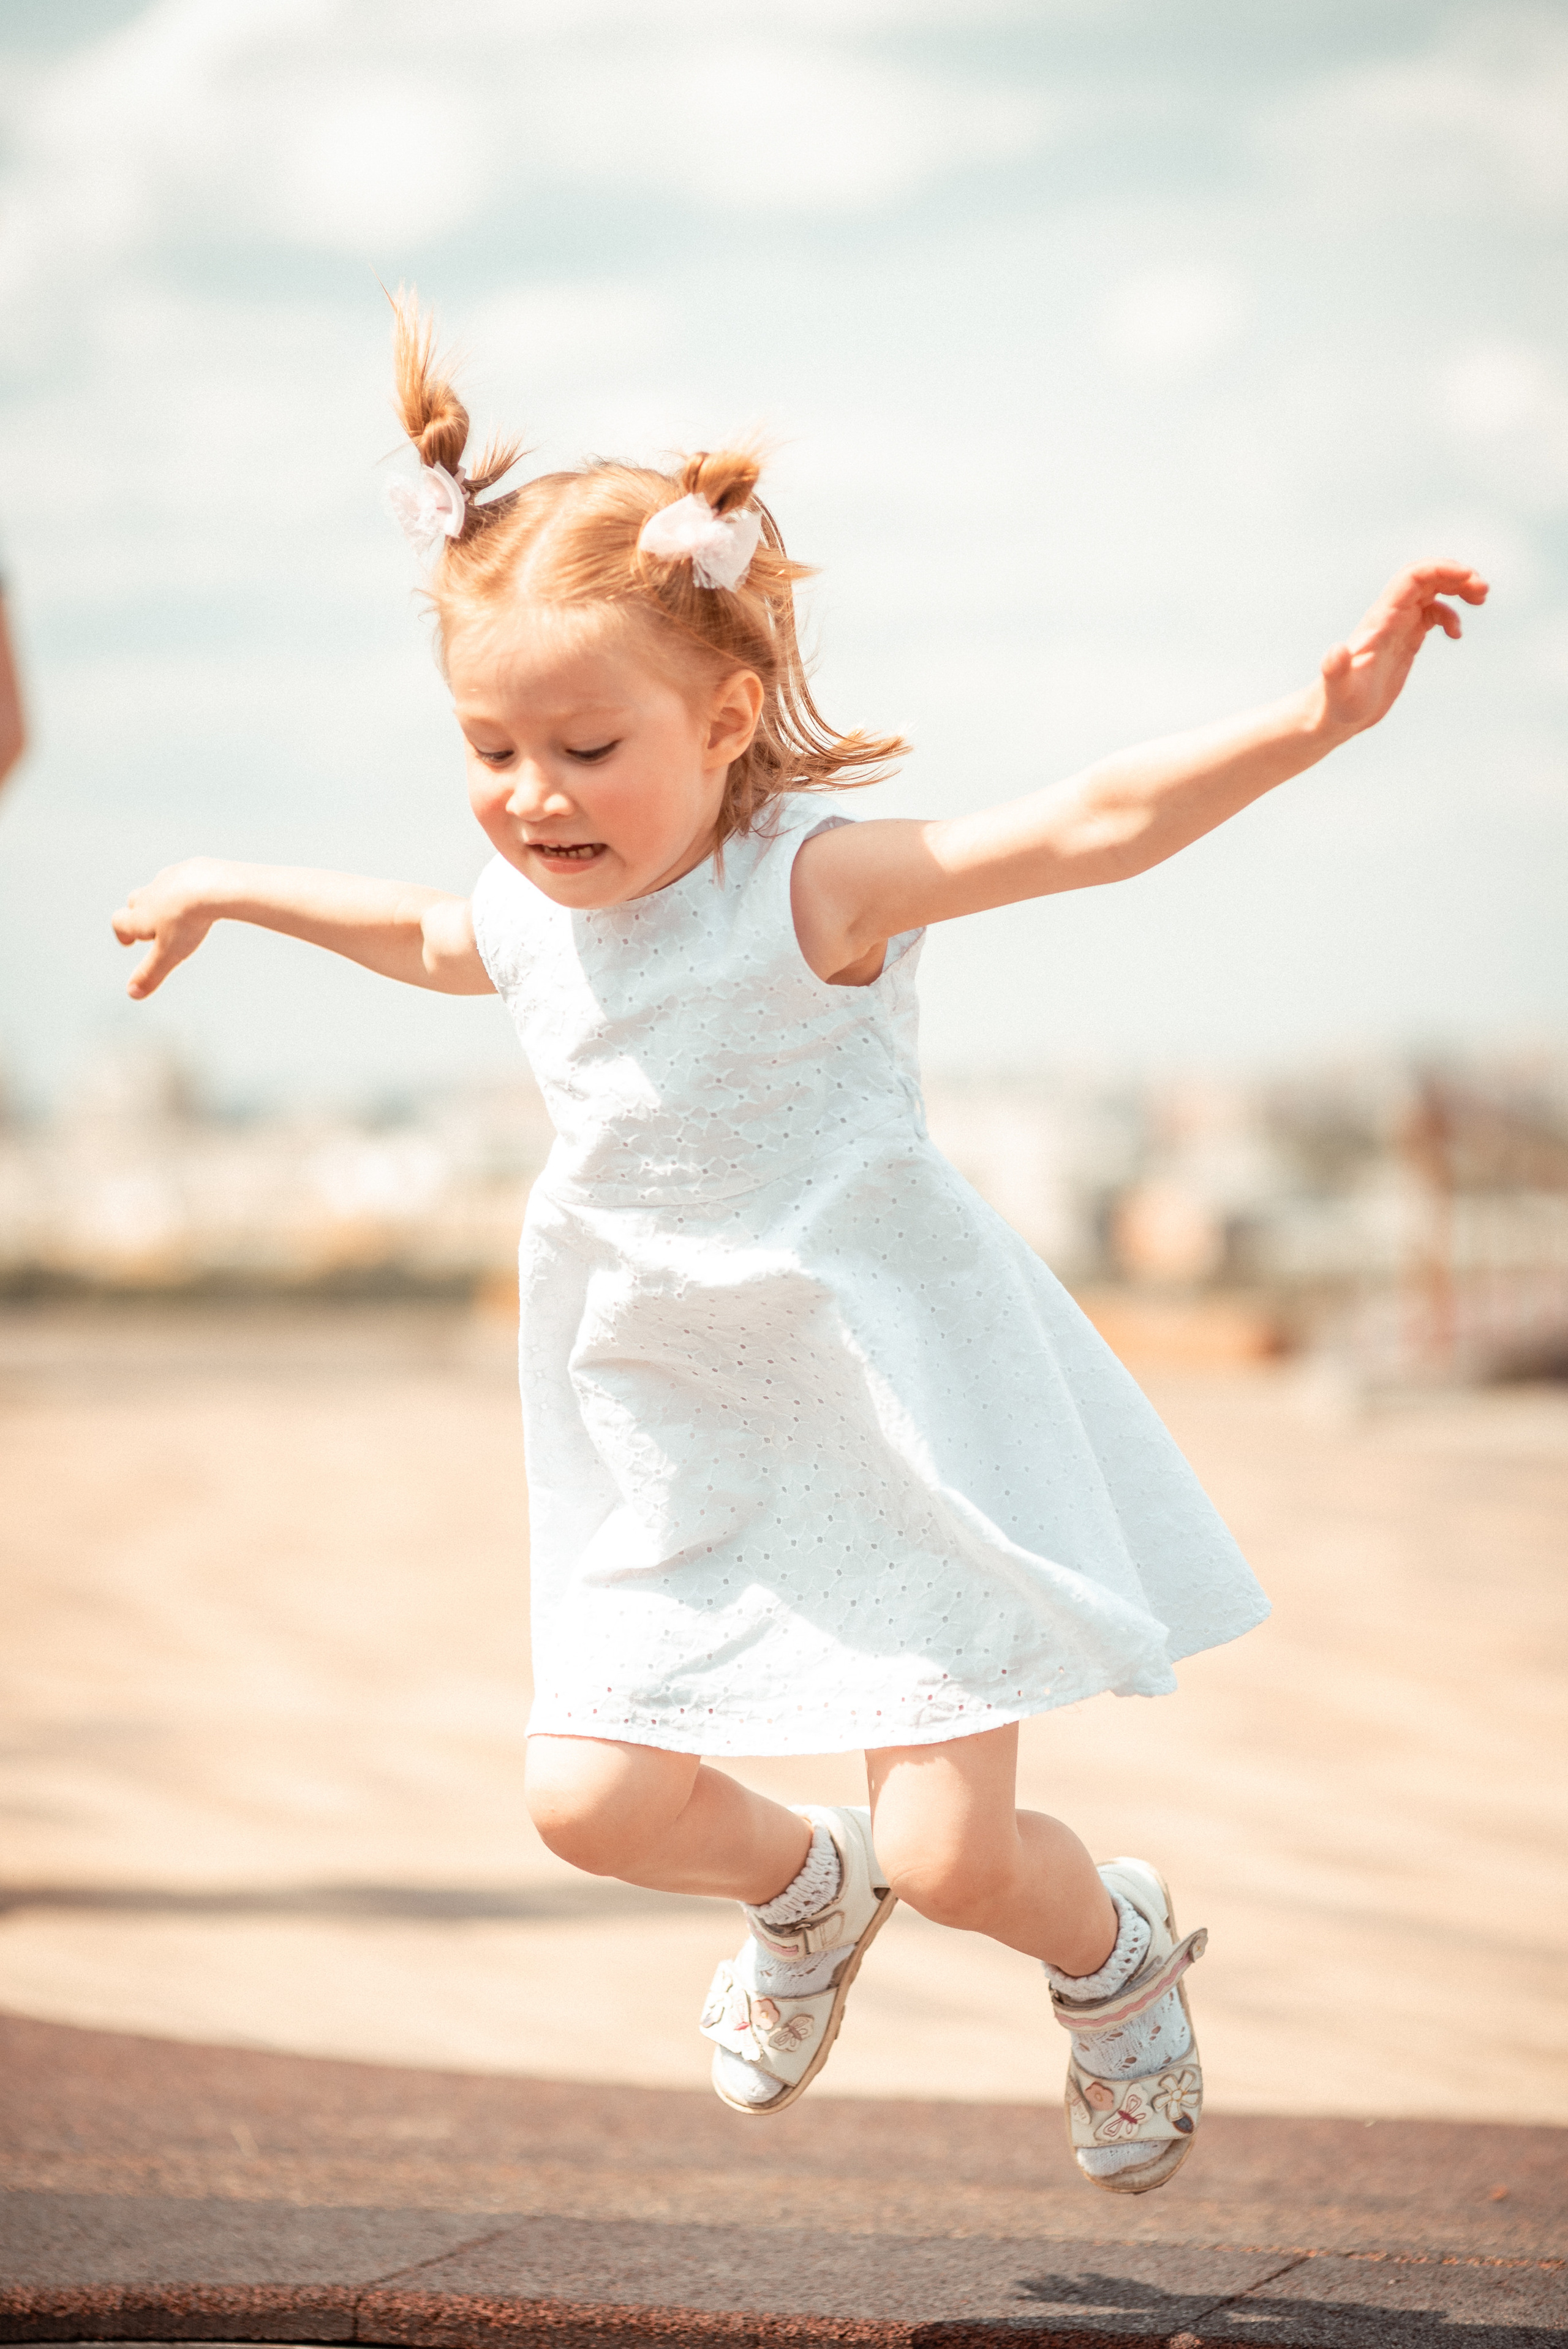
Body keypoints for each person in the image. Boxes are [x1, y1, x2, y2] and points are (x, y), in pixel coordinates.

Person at [111, 299, 1486, 2195]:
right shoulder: (526, 919)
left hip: (890, 1409)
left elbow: (1083, 825)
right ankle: (798, 1887)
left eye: (584, 745)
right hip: (673, 1419)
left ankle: (1114, 1954)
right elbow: (419, 933)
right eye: (489, 747)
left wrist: (1314, 718)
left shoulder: (809, 893)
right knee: (585, 1796)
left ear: (726, 715)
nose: (530, 796)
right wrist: (224, 885)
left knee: (960, 1854)